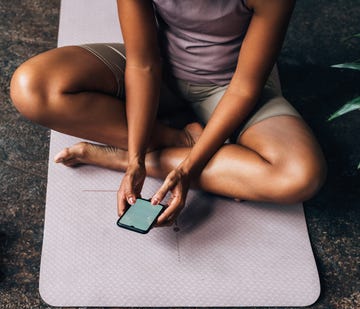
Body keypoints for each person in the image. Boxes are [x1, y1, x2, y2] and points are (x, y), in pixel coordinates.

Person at [10, 0, 326, 227]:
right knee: (32, 88)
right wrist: (136, 156)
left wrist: (188, 169)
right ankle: (179, 140)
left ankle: (122, 157)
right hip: (159, 74)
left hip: (229, 88)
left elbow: (244, 88)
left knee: (300, 176)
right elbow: (143, 63)